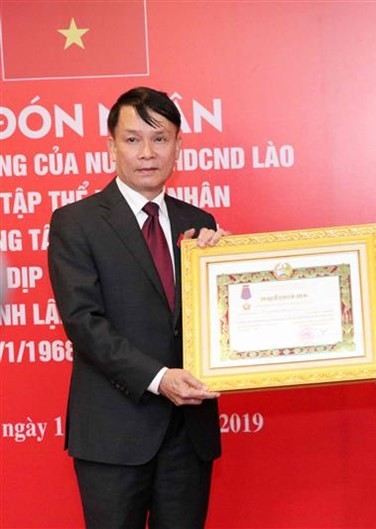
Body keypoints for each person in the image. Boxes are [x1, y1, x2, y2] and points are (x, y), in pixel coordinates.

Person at [48, 87, 225, 529]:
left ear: (178, 147)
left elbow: (216, 321)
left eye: (160, 139)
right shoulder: (77, 222)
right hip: (113, 435)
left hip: (189, 435)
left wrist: (223, 271)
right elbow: (83, 322)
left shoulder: (198, 223)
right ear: (111, 146)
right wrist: (159, 379)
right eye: (132, 140)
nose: (147, 152)